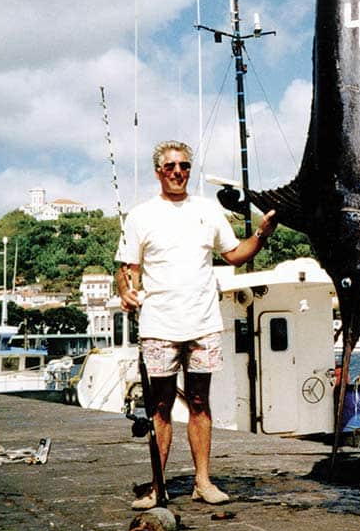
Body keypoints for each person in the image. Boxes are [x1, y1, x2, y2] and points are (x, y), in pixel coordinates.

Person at [115, 140, 276, 509]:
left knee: (201, 402)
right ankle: (158, 486)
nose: (177, 172)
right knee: (160, 406)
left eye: (184, 166)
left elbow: (234, 254)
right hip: (158, 326)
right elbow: (127, 272)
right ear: (159, 171)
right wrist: (126, 291)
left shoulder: (207, 212)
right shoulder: (141, 216)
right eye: (170, 166)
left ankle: (203, 481)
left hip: (203, 324)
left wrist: (263, 235)